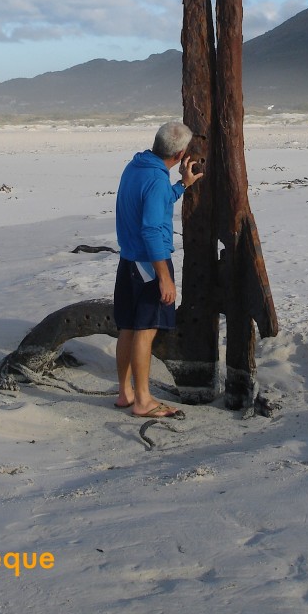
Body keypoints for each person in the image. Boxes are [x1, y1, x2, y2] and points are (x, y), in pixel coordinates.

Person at [113, 121, 203, 417]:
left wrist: (181, 187)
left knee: (127, 327)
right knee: (144, 331)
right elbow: (151, 230)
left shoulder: (137, 166)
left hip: (128, 260)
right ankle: (143, 400)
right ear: (179, 156)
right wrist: (164, 277)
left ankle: (125, 393)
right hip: (149, 265)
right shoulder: (155, 180)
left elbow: (152, 203)